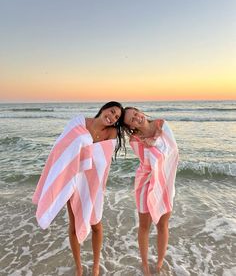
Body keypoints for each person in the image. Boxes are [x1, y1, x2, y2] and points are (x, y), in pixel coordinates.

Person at [32, 101, 125, 276]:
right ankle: (79, 267)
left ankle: (96, 266)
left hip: (94, 184)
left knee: (96, 223)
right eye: (111, 111)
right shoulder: (78, 123)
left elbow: (103, 160)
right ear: (103, 108)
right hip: (73, 178)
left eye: (116, 117)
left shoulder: (112, 132)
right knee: (74, 225)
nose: (112, 117)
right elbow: (62, 148)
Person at [122, 107, 179, 275]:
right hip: (145, 183)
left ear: (141, 111)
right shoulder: (134, 139)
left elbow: (173, 151)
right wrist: (151, 146)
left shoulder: (162, 125)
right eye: (131, 119)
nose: (137, 118)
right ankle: (145, 263)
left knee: (162, 224)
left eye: (136, 114)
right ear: (130, 126)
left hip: (165, 182)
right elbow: (148, 163)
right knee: (144, 225)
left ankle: (160, 261)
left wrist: (153, 143)